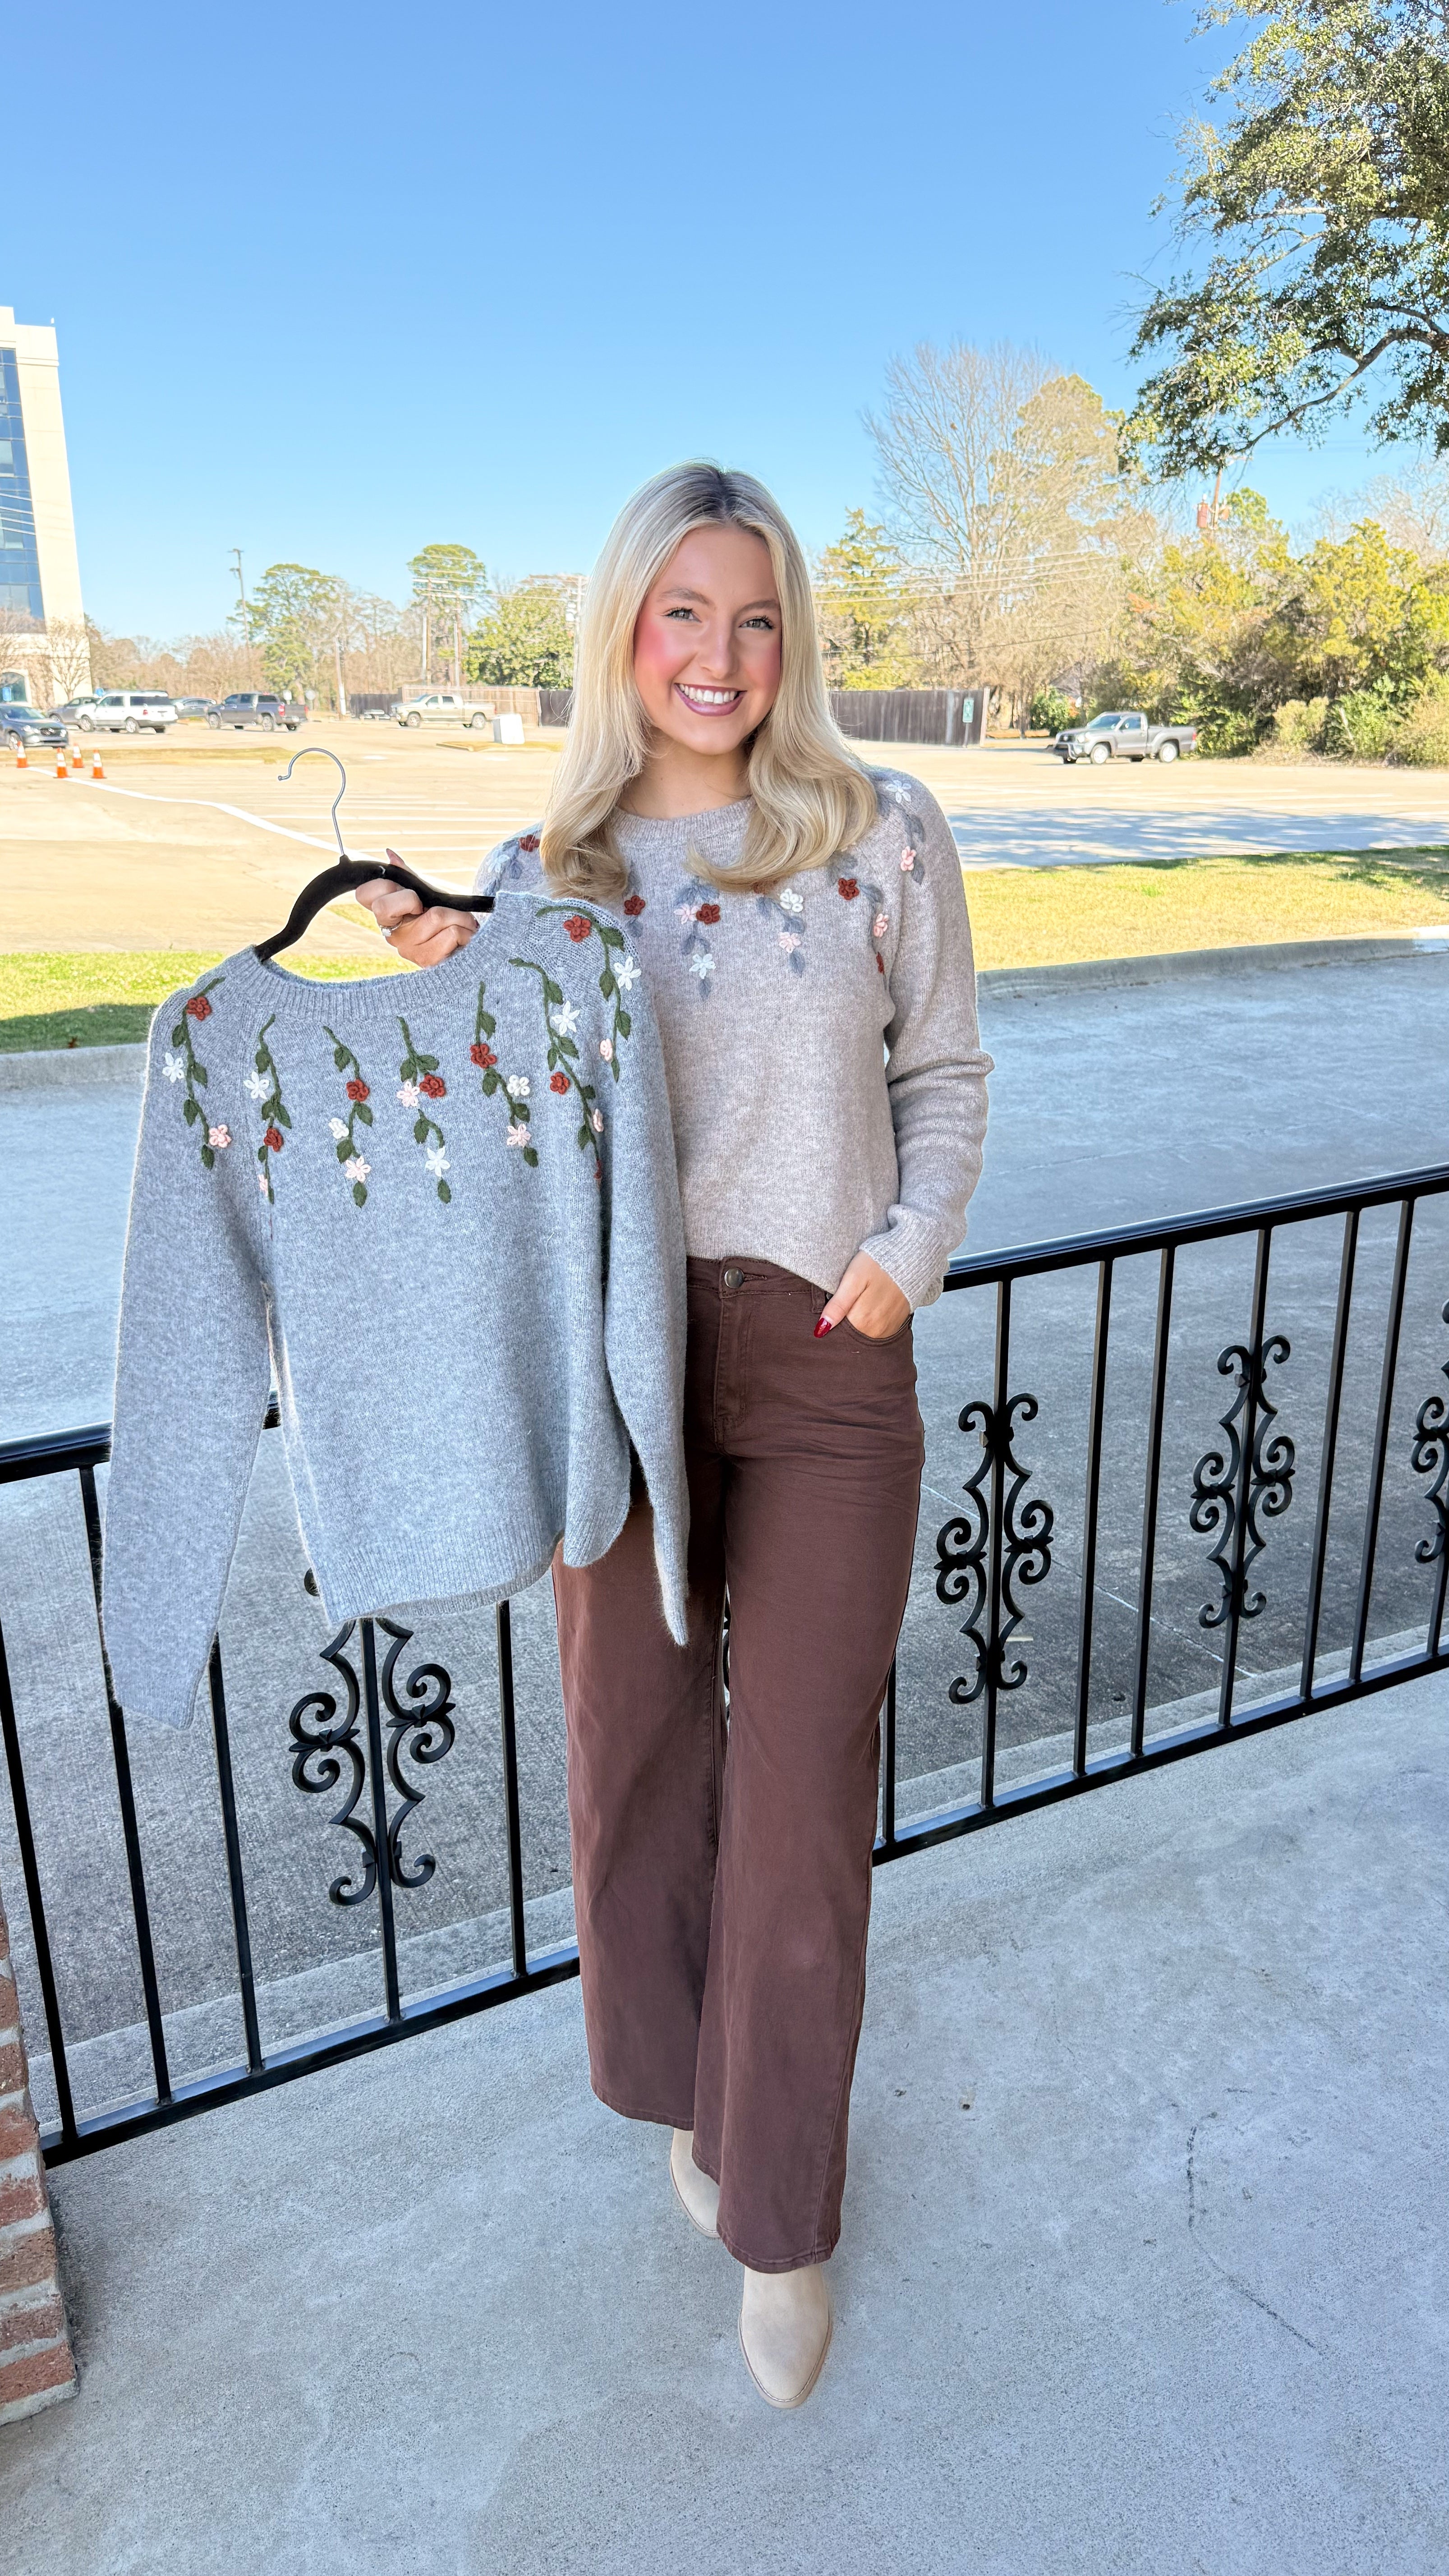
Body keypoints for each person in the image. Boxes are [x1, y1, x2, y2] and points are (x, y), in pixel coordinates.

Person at [358, 463, 991, 2409]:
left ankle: (782, 2218)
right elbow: (511, 1153)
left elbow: (947, 1073)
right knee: (633, 1751)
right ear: (624, 630)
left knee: (800, 1794)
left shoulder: (879, 831)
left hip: (825, 1362)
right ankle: (683, 2093)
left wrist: (900, 1257)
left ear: (793, 641)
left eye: (758, 617)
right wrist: (452, 997)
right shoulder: (544, 871)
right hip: (618, 1373)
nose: (721, 655)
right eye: (684, 613)